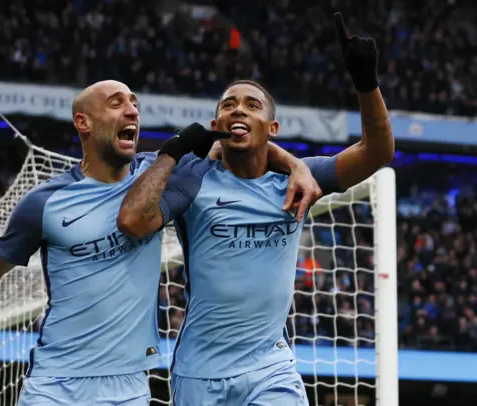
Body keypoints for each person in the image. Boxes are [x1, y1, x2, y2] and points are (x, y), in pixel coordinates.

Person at [0, 80, 322, 405]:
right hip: (53, 384)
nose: (131, 109)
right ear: (83, 122)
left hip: (129, 388)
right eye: (116, 102)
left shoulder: (160, 177)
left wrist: (293, 162)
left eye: (135, 103)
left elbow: (238, 143)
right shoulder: (45, 202)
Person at [116, 13, 394, 405]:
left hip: (270, 368)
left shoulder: (300, 179)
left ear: (272, 127)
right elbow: (133, 220)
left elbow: (377, 152)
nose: (239, 110)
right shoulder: (192, 180)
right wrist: (175, 151)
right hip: (200, 370)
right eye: (229, 105)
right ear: (216, 124)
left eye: (252, 105)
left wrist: (367, 84)